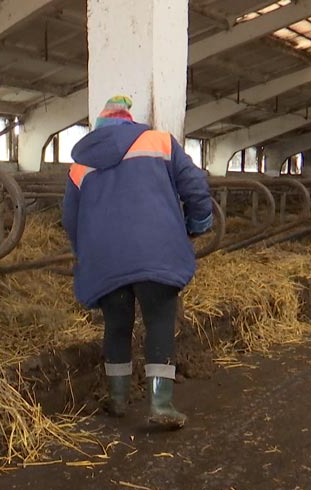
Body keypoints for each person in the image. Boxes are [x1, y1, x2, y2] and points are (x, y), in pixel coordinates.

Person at [62, 95, 213, 430]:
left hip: (106, 259)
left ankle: (118, 400)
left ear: (99, 126)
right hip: (156, 249)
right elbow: (196, 186)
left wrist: (87, 253)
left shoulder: (80, 164)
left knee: (117, 324)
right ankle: (160, 404)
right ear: (129, 120)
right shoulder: (159, 142)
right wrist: (197, 225)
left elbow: (70, 219)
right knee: (159, 321)